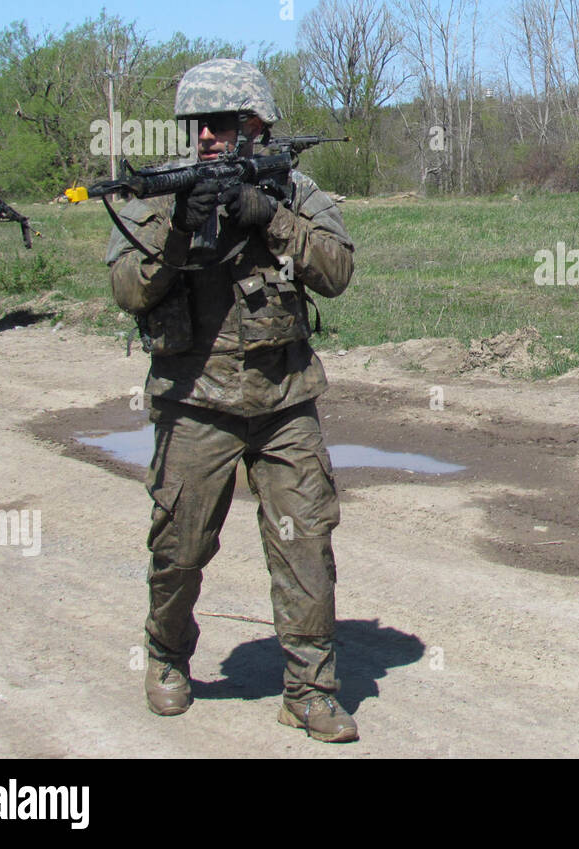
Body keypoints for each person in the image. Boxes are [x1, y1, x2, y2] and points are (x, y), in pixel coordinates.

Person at [107, 59, 358, 741]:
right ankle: (165, 655)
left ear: (257, 126)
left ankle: (309, 689)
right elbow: (129, 289)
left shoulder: (294, 188)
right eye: (199, 126)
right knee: (179, 548)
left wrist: (270, 218)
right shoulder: (164, 194)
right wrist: (182, 230)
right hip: (195, 401)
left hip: (284, 399)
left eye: (224, 124)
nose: (209, 138)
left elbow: (336, 270)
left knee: (306, 543)